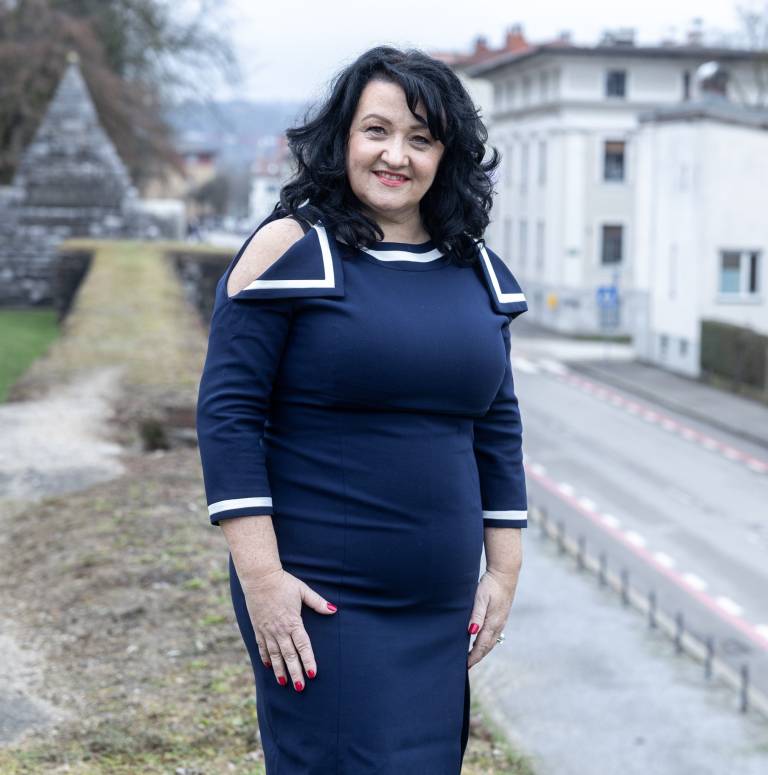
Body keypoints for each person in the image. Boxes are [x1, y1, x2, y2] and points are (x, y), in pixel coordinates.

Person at [195, 44, 529, 775]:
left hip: (439, 607)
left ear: (447, 156)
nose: (396, 155)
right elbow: (228, 415)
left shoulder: (472, 269)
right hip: (322, 598)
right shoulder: (289, 248)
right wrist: (262, 578)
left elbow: (497, 427)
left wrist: (503, 573)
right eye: (377, 130)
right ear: (342, 138)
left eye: (421, 138)